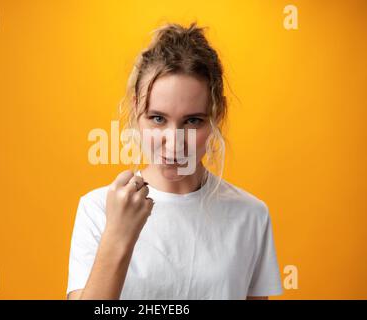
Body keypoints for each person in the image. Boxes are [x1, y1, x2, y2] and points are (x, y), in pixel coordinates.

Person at [66, 22, 283, 300]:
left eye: (193, 121)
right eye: (158, 118)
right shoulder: (96, 210)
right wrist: (118, 236)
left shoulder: (251, 216)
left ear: (218, 115)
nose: (174, 142)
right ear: (136, 109)